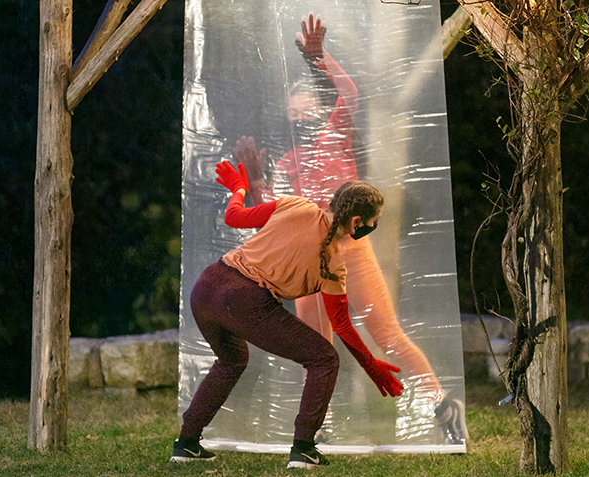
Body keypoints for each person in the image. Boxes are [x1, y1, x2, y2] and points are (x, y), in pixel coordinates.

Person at [234, 12, 467, 445]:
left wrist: (321, 59)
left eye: (305, 107)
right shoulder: (290, 163)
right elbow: (274, 215)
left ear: (318, 108)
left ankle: (441, 408)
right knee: (315, 347)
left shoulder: (335, 134)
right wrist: (255, 181)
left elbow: (351, 95)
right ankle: (311, 433)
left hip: (347, 253)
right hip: (308, 261)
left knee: (386, 333)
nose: (299, 116)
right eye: (293, 112)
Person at [171, 160, 403, 468]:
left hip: (207, 287)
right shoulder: (333, 266)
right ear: (357, 223)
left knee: (232, 360)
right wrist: (370, 364)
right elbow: (343, 327)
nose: (374, 228)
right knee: (324, 359)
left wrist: (239, 189)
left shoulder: (297, 205)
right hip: (245, 301)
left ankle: (186, 443)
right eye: (375, 222)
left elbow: (234, 217)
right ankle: (304, 448)